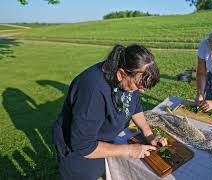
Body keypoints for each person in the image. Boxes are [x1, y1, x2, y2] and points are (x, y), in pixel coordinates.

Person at [53, 44, 168, 180]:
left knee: (108, 167)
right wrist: (129, 150)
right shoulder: (92, 90)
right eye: (139, 85)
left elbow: (134, 106)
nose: (141, 91)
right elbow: (82, 146)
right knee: (86, 174)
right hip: (79, 149)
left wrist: (149, 135)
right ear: (121, 74)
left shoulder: (130, 77)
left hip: (103, 141)